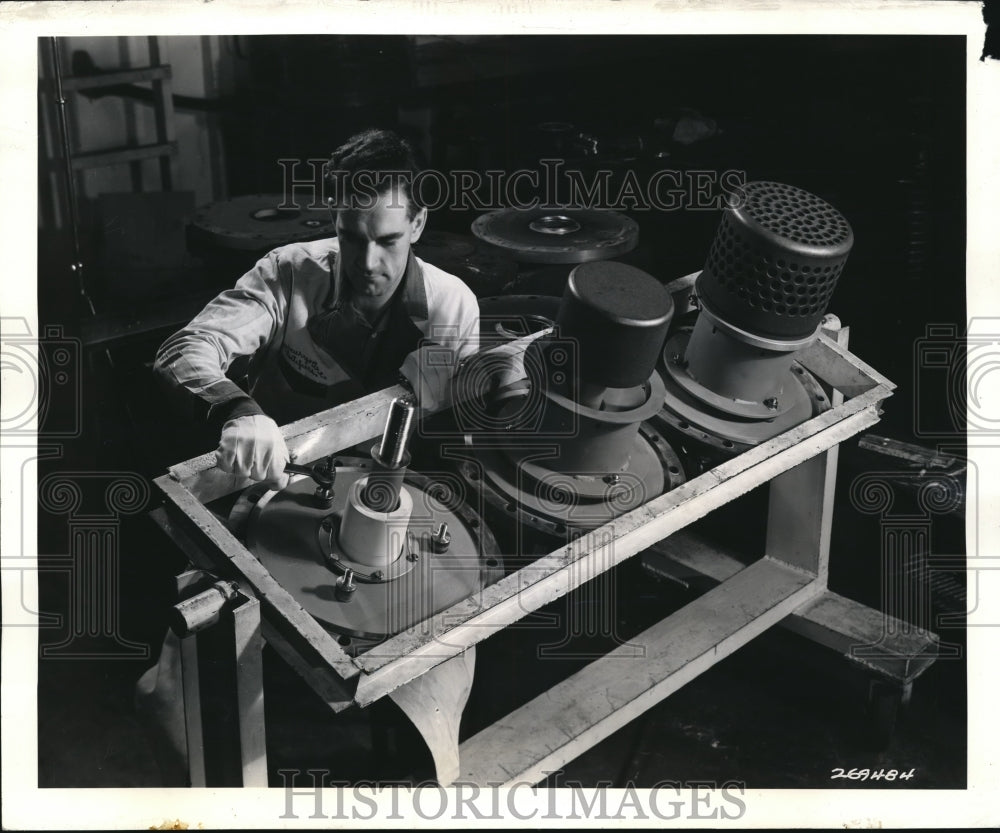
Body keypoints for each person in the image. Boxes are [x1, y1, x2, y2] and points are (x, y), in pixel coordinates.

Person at [154, 128, 480, 488]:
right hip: (280, 485)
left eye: (388, 241)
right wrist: (237, 411)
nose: (369, 262)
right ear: (334, 219)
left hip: (391, 489)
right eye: (352, 238)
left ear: (417, 224)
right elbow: (183, 352)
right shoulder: (288, 272)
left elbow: (457, 432)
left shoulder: (454, 306)